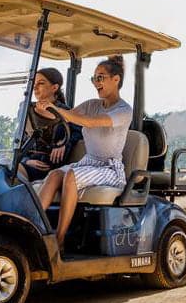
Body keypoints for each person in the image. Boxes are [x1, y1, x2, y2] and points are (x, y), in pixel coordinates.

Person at [35, 55, 132, 249]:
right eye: (94, 78)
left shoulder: (124, 110)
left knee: (70, 176)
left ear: (116, 79)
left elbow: (89, 122)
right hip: (89, 162)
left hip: (110, 168)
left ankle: (59, 240)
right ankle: (33, 228)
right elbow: (63, 117)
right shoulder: (91, 104)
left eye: (101, 77)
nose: (96, 82)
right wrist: (41, 107)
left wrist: (56, 108)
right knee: (54, 175)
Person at [21, 68, 82, 182]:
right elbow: (21, 141)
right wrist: (25, 160)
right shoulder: (26, 110)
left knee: (10, 173)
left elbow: (81, 132)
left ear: (54, 88)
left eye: (41, 83)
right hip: (26, 162)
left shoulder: (66, 112)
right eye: (34, 83)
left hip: (47, 167)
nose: (35, 87)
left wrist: (64, 143)